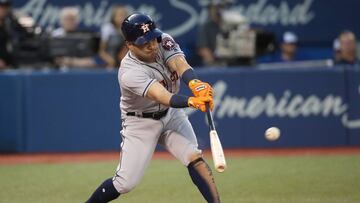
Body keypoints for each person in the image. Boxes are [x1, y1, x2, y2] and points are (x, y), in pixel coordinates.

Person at [85, 13, 220, 203]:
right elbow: (161, 96)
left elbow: (179, 63)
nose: (151, 45)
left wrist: (195, 83)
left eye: (152, 38)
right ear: (129, 45)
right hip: (140, 122)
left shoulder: (163, 40)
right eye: (143, 42)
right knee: (125, 183)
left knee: (193, 157)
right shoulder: (129, 72)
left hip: (171, 116)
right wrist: (191, 101)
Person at [99, 5, 128, 69]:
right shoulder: (107, 28)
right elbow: (101, 51)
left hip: (126, 64)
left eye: (124, 15)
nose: (123, 17)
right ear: (114, 17)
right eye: (120, 15)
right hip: (110, 64)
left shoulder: (129, 29)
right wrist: (110, 61)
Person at [196, 1, 223, 66]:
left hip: (235, 62)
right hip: (215, 63)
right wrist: (213, 63)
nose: (217, 11)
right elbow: (202, 49)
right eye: (214, 8)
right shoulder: (206, 27)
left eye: (219, 8)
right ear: (209, 11)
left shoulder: (234, 24)